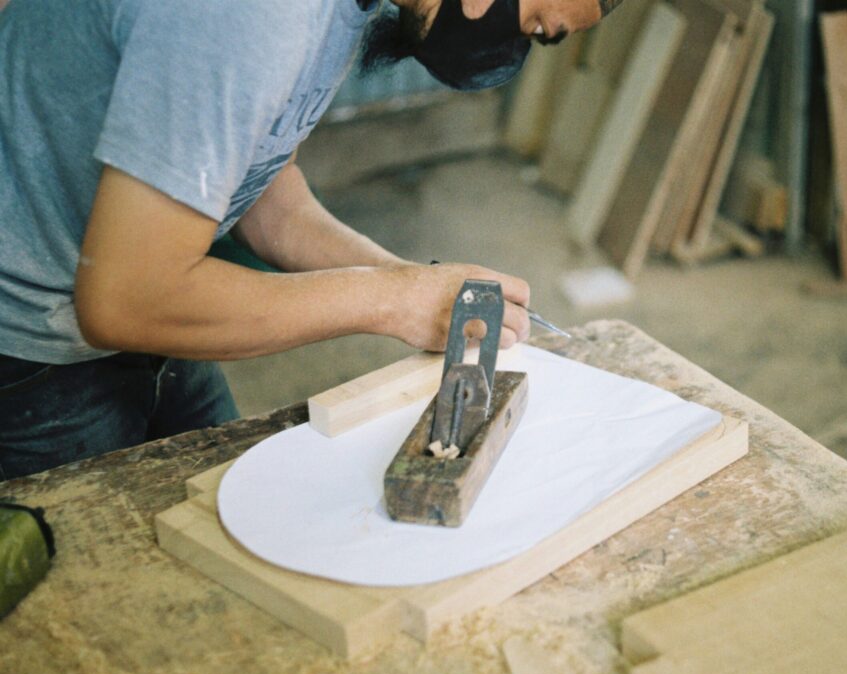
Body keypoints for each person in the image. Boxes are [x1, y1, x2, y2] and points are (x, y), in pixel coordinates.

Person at [0, 0, 613, 478]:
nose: (509, 46)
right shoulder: (253, 12)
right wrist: (390, 300)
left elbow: (264, 193)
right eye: (533, 23)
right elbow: (129, 299)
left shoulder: (343, 12)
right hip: (27, 350)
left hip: (137, 327)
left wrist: (412, 285)